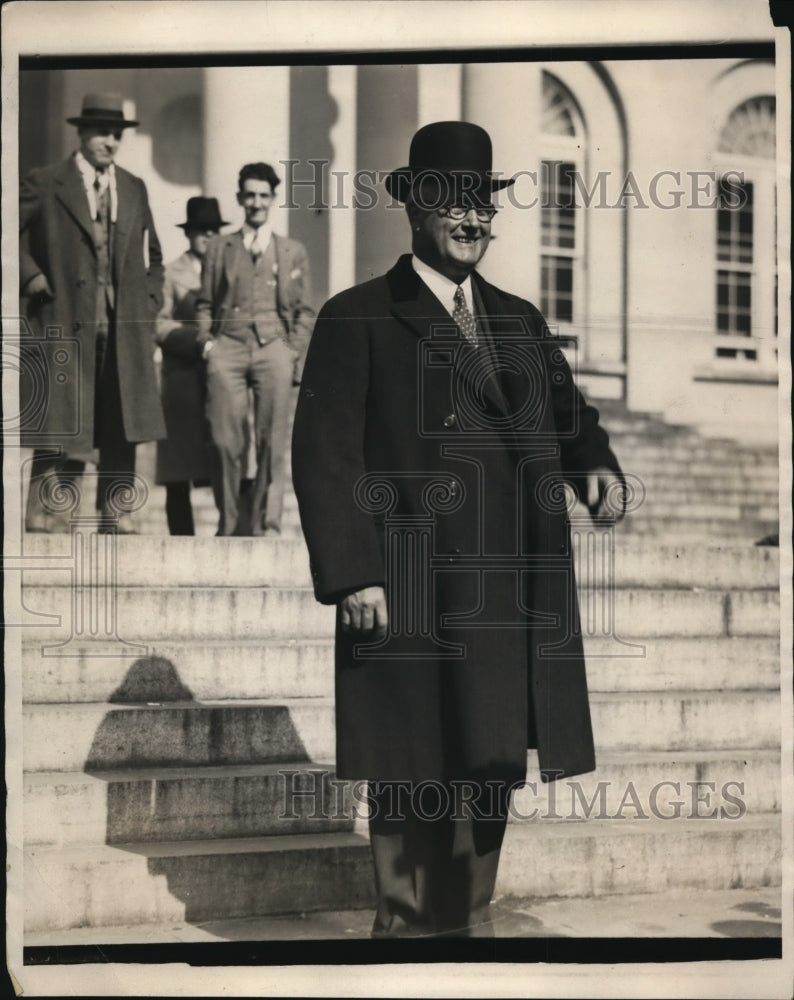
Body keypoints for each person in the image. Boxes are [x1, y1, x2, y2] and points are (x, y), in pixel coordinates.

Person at [291, 121, 626, 937]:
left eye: (482, 203)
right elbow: (323, 452)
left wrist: (598, 468)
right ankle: (401, 932)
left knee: (489, 760)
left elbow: (569, 415)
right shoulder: (358, 315)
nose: (472, 218)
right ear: (415, 209)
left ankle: (468, 924)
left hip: (505, 588)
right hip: (405, 580)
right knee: (408, 760)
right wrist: (353, 572)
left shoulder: (518, 319)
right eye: (452, 201)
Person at [19, 92, 165, 533]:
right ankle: (49, 516)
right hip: (64, 322)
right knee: (63, 421)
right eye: (103, 132)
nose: (111, 142)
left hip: (123, 329)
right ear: (81, 133)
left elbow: (153, 257)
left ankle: (114, 516)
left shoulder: (133, 186)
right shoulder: (47, 181)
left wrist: (149, 304)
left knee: (120, 421)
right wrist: (31, 278)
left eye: (117, 134)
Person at [195, 161, 315, 536]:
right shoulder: (220, 247)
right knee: (224, 439)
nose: (256, 202)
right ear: (239, 198)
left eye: (263, 195)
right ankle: (229, 522)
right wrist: (207, 344)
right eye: (250, 195)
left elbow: (305, 311)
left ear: (273, 199)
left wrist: (291, 351)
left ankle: (268, 523)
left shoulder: (292, 250)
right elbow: (204, 304)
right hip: (227, 346)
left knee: (271, 439)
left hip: (274, 346)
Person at [154, 197, 227, 535]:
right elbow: (159, 324)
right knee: (178, 469)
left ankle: (230, 532)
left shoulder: (230, 269)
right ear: (189, 234)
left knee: (225, 457)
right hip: (183, 379)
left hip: (221, 378)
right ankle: (180, 538)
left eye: (213, 230)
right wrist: (196, 340)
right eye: (200, 231)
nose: (207, 237)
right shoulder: (171, 273)